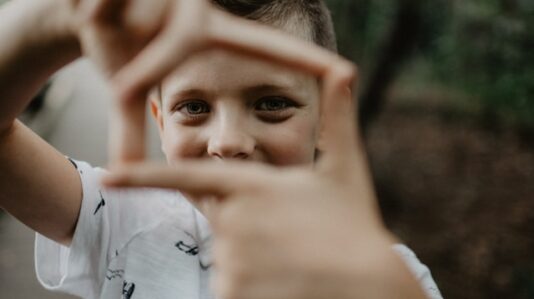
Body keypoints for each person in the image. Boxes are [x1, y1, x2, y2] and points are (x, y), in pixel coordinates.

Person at [0, 0, 442, 298]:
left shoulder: (389, 278)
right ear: (159, 120)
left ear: (330, 116)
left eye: (272, 104)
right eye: (193, 107)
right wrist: (66, 16)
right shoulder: (121, 220)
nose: (227, 142)